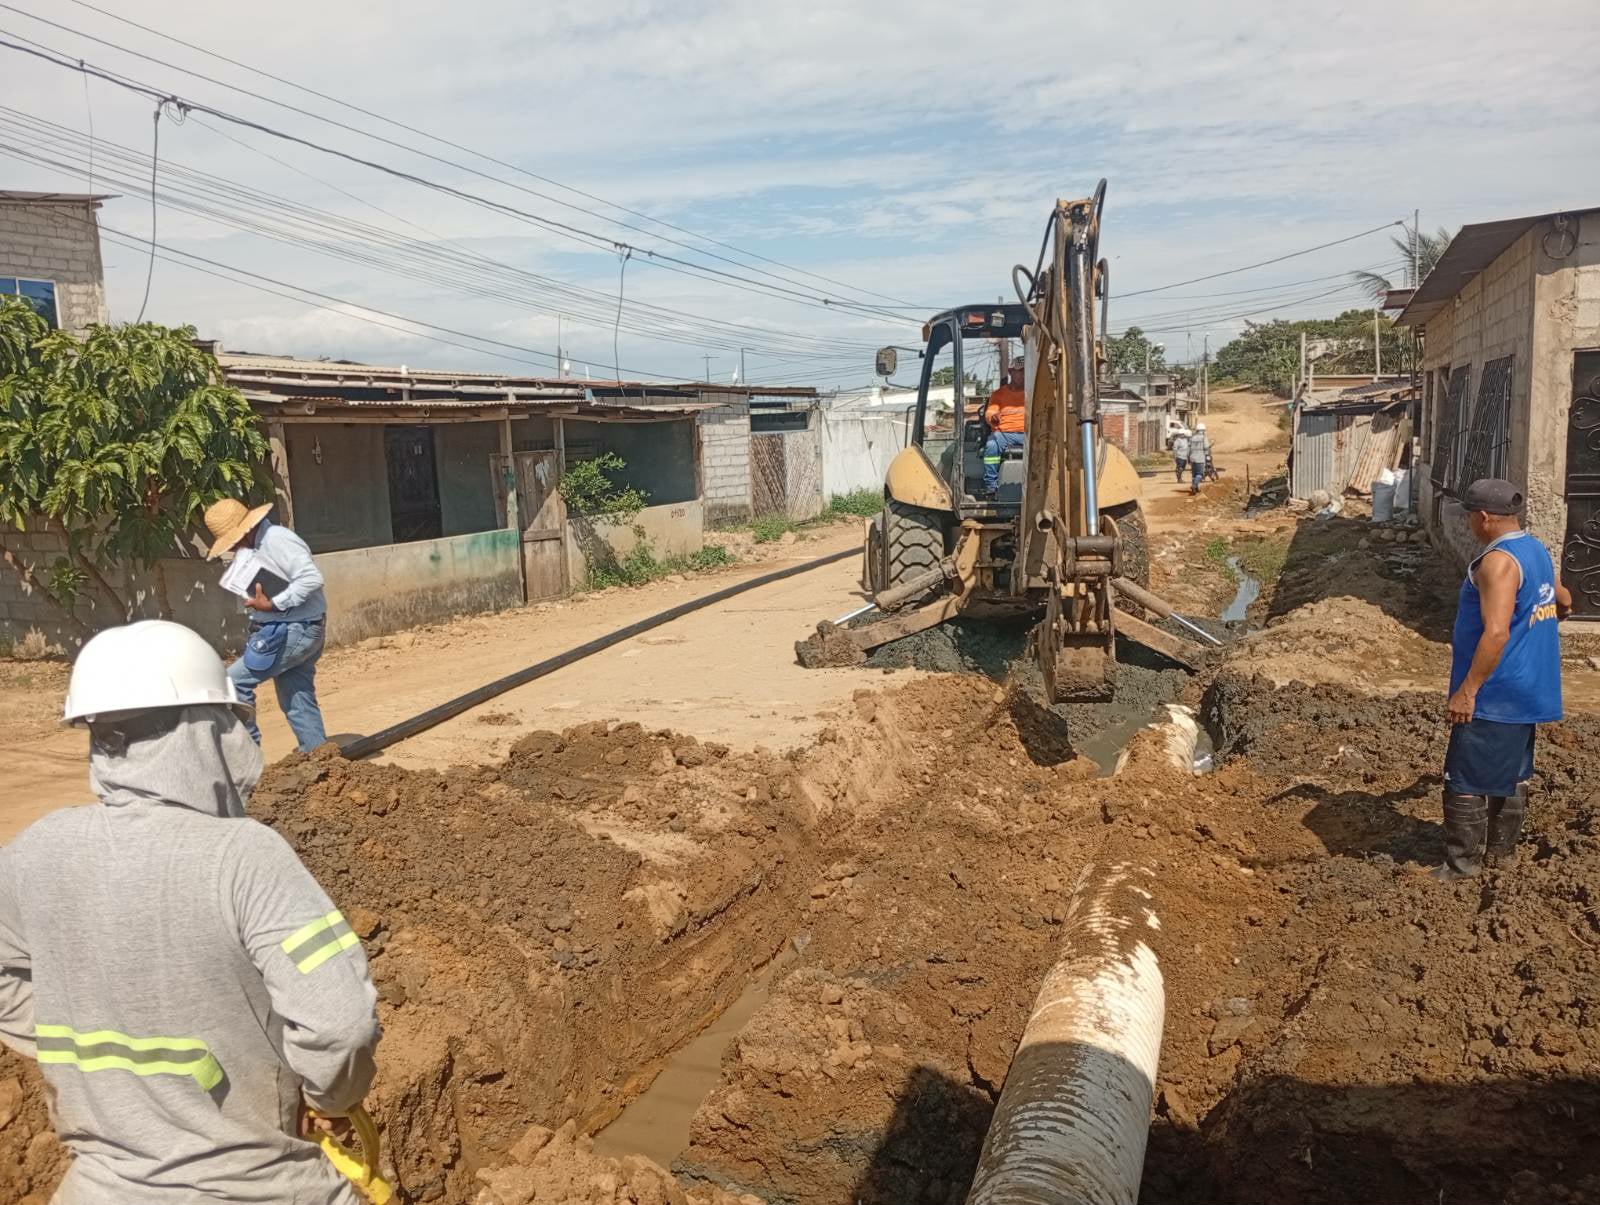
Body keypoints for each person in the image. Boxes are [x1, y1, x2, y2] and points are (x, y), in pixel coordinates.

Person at [0, 620, 381, 1202]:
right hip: (259, 1185)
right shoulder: (245, 856)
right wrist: (329, 1098)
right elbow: (340, 1025)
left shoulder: (36, 850)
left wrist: (79, 1050)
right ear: (207, 730)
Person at [1434, 478, 1570, 881]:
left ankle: (1461, 866)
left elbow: (1495, 634)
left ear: (1484, 517)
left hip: (1496, 692)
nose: (1469, 525)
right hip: (1529, 686)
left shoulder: (1497, 563)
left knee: (1463, 778)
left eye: (1470, 517)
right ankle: (1500, 856)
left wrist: (1468, 691)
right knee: (1512, 774)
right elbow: (1563, 600)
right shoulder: (1534, 549)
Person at [206, 498, 329, 752]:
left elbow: (311, 578)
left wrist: (274, 604)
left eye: (233, 542)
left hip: (295, 629)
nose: (232, 548)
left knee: (233, 682)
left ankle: (248, 758)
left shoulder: (276, 540)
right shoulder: (257, 546)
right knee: (295, 693)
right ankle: (318, 753)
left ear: (245, 531)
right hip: (294, 627)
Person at [982, 357, 1027, 496]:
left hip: (1029, 433)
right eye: (1019, 371)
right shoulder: (999, 394)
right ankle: (991, 485)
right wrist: (993, 417)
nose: (1023, 375)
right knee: (991, 446)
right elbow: (990, 412)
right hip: (1004, 434)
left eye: (1026, 371)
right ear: (1010, 372)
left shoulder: (1034, 392)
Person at [1188, 423, 1211, 494]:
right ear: (1203, 430)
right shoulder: (1203, 437)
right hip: (1200, 458)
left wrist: (1188, 458)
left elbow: (1188, 448)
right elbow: (1206, 447)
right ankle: (1194, 485)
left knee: (1194, 475)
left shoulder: (1192, 438)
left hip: (1192, 458)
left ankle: (1195, 489)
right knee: (1200, 475)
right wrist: (1207, 455)